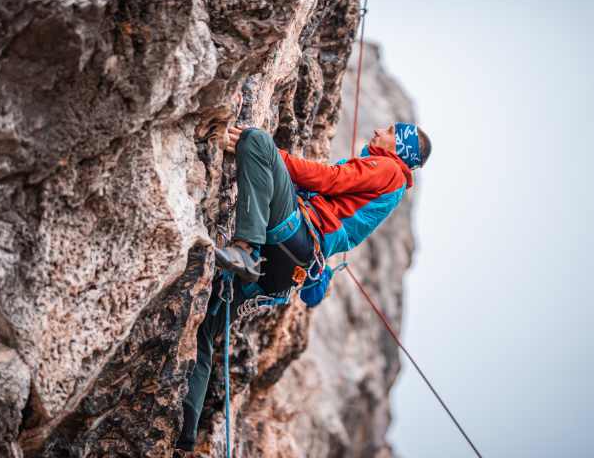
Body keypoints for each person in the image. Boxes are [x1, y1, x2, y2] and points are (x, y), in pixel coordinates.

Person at [176, 121, 432, 451]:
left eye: (390, 132)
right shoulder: (388, 190)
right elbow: (338, 218)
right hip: (289, 270)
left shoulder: (388, 169)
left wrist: (273, 156)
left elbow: (330, 179)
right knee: (206, 325)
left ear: (401, 148)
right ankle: (184, 427)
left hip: (295, 235)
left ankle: (245, 249)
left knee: (256, 141)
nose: (378, 131)